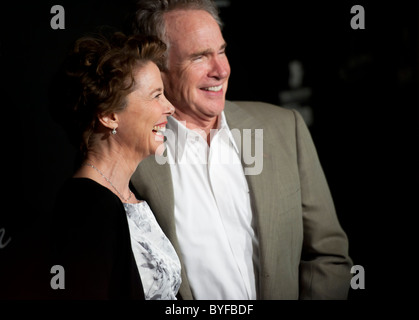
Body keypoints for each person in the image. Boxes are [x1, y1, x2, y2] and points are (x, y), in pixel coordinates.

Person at [128, 0, 353, 300]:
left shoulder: (285, 128)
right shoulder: (132, 159)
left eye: (221, 51)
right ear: (159, 69)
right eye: (200, 57)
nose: (221, 70)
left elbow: (329, 255)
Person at [49, 30, 180, 299]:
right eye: (156, 96)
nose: (170, 107)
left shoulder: (131, 195)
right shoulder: (87, 207)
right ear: (110, 116)